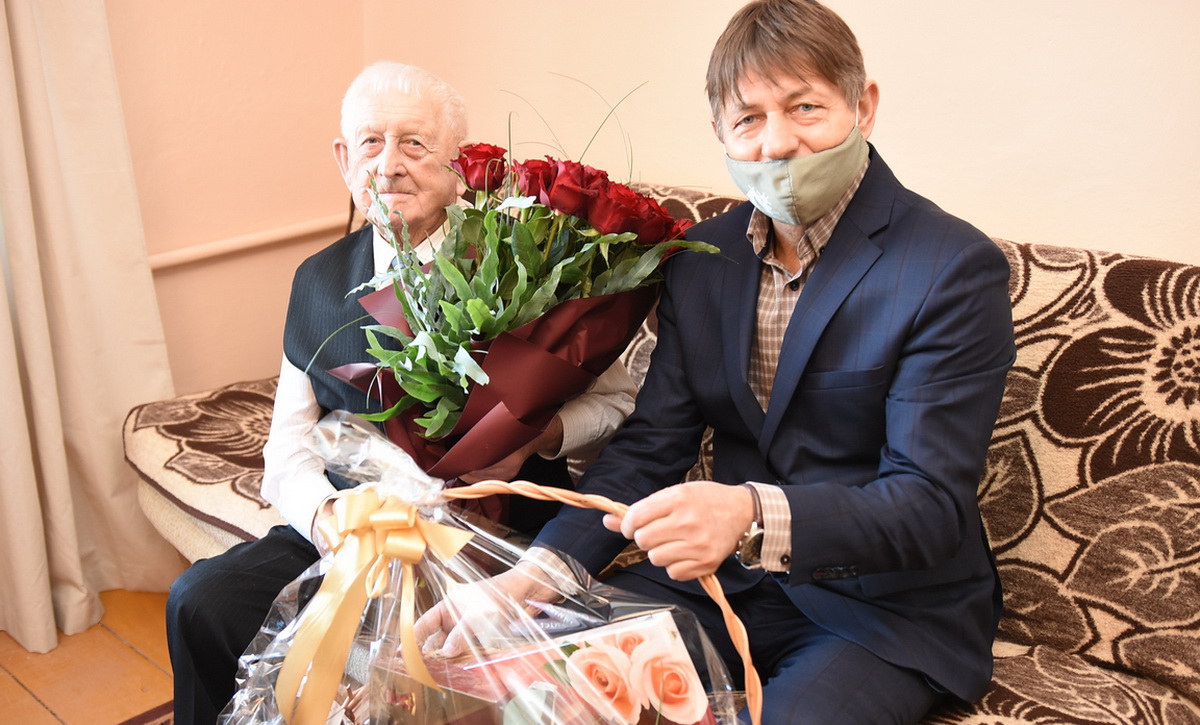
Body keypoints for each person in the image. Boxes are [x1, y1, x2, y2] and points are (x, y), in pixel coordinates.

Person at [416, 2, 1016, 722]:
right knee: (530, 686)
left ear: (863, 106)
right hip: (727, 585)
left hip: (885, 610)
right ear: (720, 132)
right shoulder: (705, 258)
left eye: (806, 107)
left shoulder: (951, 267)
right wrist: (535, 576)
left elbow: (929, 504)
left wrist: (750, 512)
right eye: (749, 119)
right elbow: (651, 445)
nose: (779, 142)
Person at [165, 61, 637, 725]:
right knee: (202, 601)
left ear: (460, 163)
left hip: (499, 533)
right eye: (370, 143)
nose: (388, 166)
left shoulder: (526, 259)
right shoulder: (316, 279)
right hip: (358, 528)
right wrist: (328, 518)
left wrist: (535, 438)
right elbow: (288, 448)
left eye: (414, 143)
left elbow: (617, 403)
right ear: (343, 159)